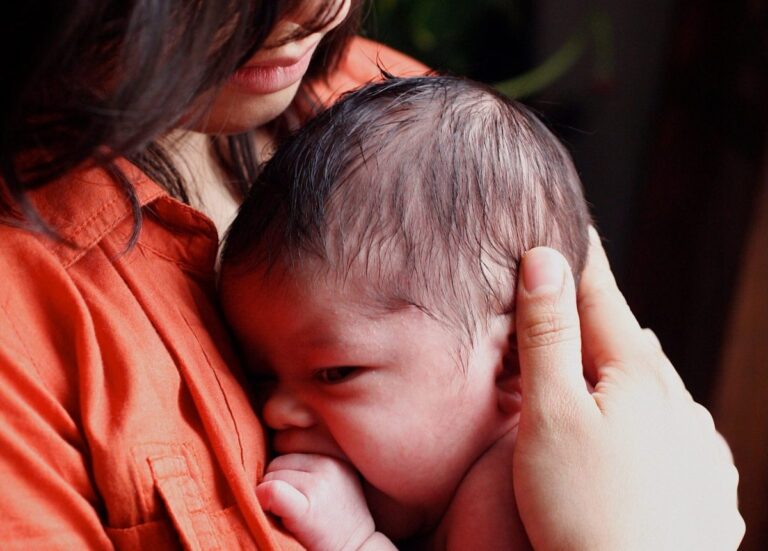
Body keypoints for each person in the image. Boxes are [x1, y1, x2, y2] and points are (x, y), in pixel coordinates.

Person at [0, 1, 744, 549]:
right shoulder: (27, 322)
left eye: (336, 372)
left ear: (517, 354)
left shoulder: (404, 134)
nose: (309, 8)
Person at [219, 74, 591, 549]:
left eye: (335, 373)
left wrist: (357, 541)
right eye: (263, 377)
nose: (275, 412)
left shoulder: (517, 489)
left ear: (512, 366)